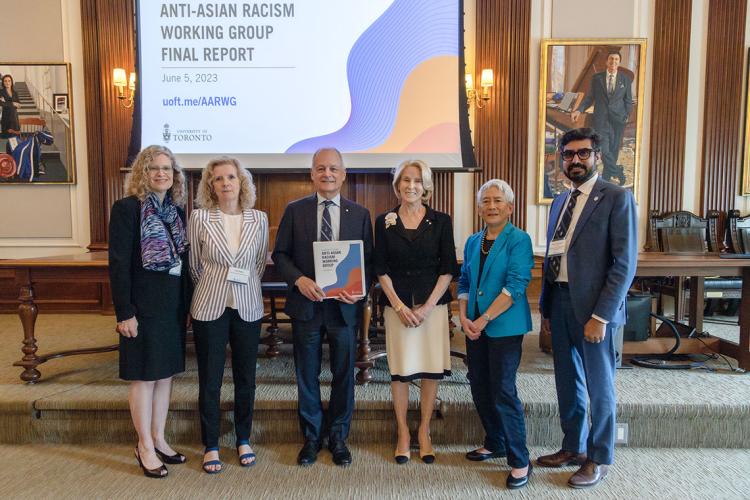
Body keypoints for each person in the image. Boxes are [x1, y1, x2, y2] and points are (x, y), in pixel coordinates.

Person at [537, 127, 637, 489]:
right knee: (567, 381)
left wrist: (601, 317)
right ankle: (572, 446)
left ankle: (598, 457)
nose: (575, 160)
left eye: (583, 153)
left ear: (598, 156)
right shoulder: (561, 202)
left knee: (600, 386)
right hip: (561, 302)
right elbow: (555, 256)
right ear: (560, 159)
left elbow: (624, 265)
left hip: (596, 310)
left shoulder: (616, 198)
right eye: (568, 154)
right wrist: (547, 309)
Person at [272, 147, 373, 467]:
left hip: (344, 309)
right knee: (307, 373)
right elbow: (281, 255)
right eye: (320, 168)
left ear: (343, 174)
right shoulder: (294, 210)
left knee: (344, 373)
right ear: (312, 174)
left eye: (333, 168)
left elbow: (368, 261)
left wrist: (358, 291)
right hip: (307, 306)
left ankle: (339, 436)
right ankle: (313, 437)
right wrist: (299, 280)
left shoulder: (359, 214)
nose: (327, 174)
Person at [108, 145, 190, 478]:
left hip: (170, 305)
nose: (161, 174)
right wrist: (124, 312)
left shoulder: (176, 210)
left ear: (174, 176)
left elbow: (182, 263)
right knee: (144, 375)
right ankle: (143, 444)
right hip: (141, 305)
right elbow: (118, 264)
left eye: (167, 169)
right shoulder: (127, 209)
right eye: (154, 168)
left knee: (165, 373)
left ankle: (159, 437)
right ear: (143, 173)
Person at [373, 160, 458, 465]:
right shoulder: (384, 221)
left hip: (431, 308)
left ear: (426, 187)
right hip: (397, 308)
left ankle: (423, 431)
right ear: (397, 186)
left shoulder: (441, 221)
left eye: (417, 181)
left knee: (430, 368)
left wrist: (427, 307)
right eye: (405, 180)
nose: (411, 186)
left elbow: (448, 268)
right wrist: (398, 305)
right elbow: (380, 268)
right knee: (401, 372)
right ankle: (402, 434)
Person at [188, 157, 269, 474]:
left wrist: (241, 283)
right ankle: (210, 444)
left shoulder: (259, 219)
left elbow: (259, 265)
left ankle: (244, 438)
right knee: (210, 379)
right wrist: (215, 285)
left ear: (241, 182)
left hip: (247, 306)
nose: (225, 183)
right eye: (218, 178)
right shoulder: (199, 218)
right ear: (211, 185)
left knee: (246, 378)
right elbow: (195, 266)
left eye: (231, 177)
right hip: (209, 304)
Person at [457, 179, 534, 489]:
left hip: (504, 326)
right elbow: (464, 281)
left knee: (503, 389)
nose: (491, 206)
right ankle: (495, 441)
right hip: (474, 326)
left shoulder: (519, 240)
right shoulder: (473, 241)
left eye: (498, 201)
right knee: (479, 384)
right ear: (478, 208)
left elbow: (516, 286)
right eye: (486, 201)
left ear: (510, 207)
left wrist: (484, 318)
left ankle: (520, 460)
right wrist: (463, 316)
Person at [571, 51, 633, 185]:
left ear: (619, 62)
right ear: (606, 61)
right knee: (604, 149)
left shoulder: (625, 79)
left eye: (616, 59)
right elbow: (589, 98)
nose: (613, 62)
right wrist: (579, 110)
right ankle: (618, 171)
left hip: (618, 120)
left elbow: (628, 100)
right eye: (611, 59)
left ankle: (606, 176)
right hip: (601, 119)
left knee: (614, 149)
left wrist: (627, 115)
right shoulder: (597, 78)